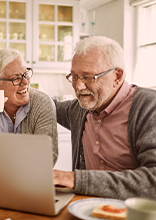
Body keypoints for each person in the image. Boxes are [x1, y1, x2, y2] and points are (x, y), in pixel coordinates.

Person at [53, 36, 156, 200]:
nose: (79, 86)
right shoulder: (79, 109)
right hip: (85, 210)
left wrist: (75, 179)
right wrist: (19, 85)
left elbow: (153, 181)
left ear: (117, 76)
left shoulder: (149, 107)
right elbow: (50, 106)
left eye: (88, 77)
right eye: (74, 77)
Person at [0, 48, 58, 165]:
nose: (26, 83)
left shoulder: (42, 103)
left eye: (25, 74)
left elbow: (48, 156)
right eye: (16, 78)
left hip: (30, 179)